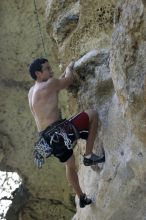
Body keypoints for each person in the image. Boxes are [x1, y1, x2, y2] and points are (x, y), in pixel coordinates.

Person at [28, 58, 105, 208]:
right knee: (93, 114)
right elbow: (69, 80)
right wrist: (69, 67)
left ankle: (81, 197)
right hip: (59, 131)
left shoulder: (32, 91)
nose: (51, 71)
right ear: (38, 73)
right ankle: (89, 156)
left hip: (46, 138)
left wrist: (57, 78)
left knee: (69, 164)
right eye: (47, 69)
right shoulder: (50, 84)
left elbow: (55, 84)